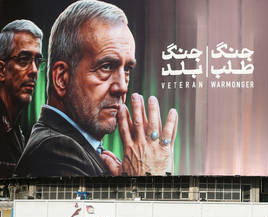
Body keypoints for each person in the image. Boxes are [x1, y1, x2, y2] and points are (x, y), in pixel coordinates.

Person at [16, 0, 178, 177]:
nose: (122, 87)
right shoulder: (54, 151)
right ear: (61, 78)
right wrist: (149, 177)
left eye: (127, 69)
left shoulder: (79, 148)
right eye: (106, 67)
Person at [0, 20, 43, 178]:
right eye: (24, 60)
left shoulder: (17, 132)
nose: (34, 71)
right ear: (2, 70)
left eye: (38, 61)